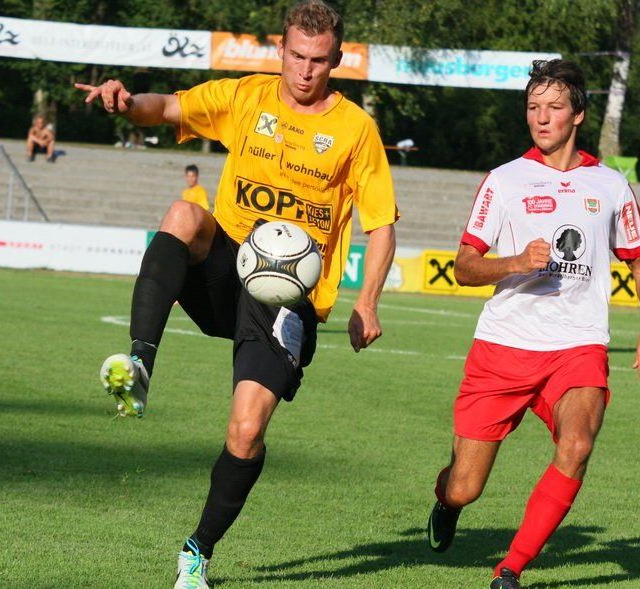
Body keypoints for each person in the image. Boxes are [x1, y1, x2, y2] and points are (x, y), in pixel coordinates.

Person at [75, 2, 398, 587]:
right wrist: (129, 103)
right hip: (227, 265)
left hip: (286, 299)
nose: (305, 71)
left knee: (246, 433)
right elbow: (169, 107)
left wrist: (368, 299)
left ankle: (198, 550)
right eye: (296, 56)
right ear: (281, 51)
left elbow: (381, 225)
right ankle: (140, 364)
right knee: (183, 212)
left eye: (319, 61)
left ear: (338, 60)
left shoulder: (357, 130)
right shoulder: (246, 96)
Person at [425, 59, 640, 589]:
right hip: (503, 348)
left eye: (554, 107)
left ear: (577, 114)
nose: (541, 117)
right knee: (465, 487)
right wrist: (513, 262)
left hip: (577, 346)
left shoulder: (611, 184)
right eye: (533, 107)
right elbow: (464, 266)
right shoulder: (504, 180)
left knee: (577, 445)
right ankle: (446, 502)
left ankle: (510, 569)